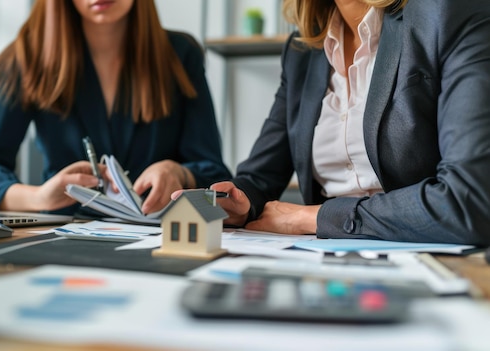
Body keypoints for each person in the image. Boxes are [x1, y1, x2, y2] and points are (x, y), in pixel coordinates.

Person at [206, 0, 490, 245]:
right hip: (317, 258)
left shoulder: (448, 13)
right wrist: (239, 203)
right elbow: (260, 177)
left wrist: (314, 217)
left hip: (428, 257)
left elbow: (467, 201)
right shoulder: (301, 52)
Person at [0, 0, 231, 216]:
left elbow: (215, 172)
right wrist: (39, 196)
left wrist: (178, 172)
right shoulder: (26, 58)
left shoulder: (181, 55)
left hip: (160, 237)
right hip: (63, 234)